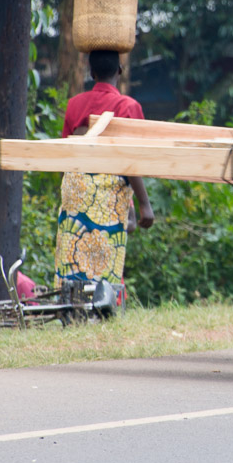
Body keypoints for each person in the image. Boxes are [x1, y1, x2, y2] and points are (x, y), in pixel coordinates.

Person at [55, 50, 155, 287]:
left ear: (91, 72)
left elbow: (67, 154)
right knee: (104, 258)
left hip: (76, 188)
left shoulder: (74, 105)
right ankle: (103, 307)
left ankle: (70, 307)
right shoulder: (129, 106)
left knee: (73, 250)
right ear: (120, 70)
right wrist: (144, 204)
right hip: (108, 194)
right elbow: (131, 159)